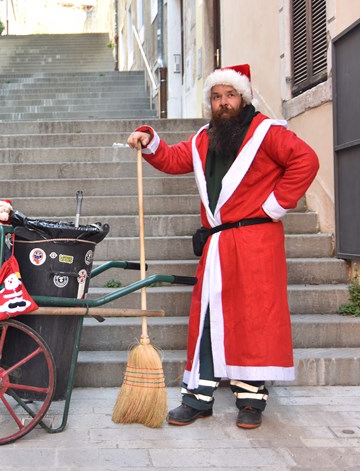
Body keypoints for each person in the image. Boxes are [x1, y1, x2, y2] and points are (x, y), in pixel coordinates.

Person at [126, 64, 319, 429]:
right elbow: (171, 158)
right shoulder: (203, 139)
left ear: (243, 97)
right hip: (218, 245)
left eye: (230, 95)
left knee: (255, 317)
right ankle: (198, 398)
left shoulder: (267, 133)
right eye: (216, 97)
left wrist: (275, 205)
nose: (223, 103)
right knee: (208, 318)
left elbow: (305, 160)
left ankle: (251, 400)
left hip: (257, 242)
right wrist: (148, 139)